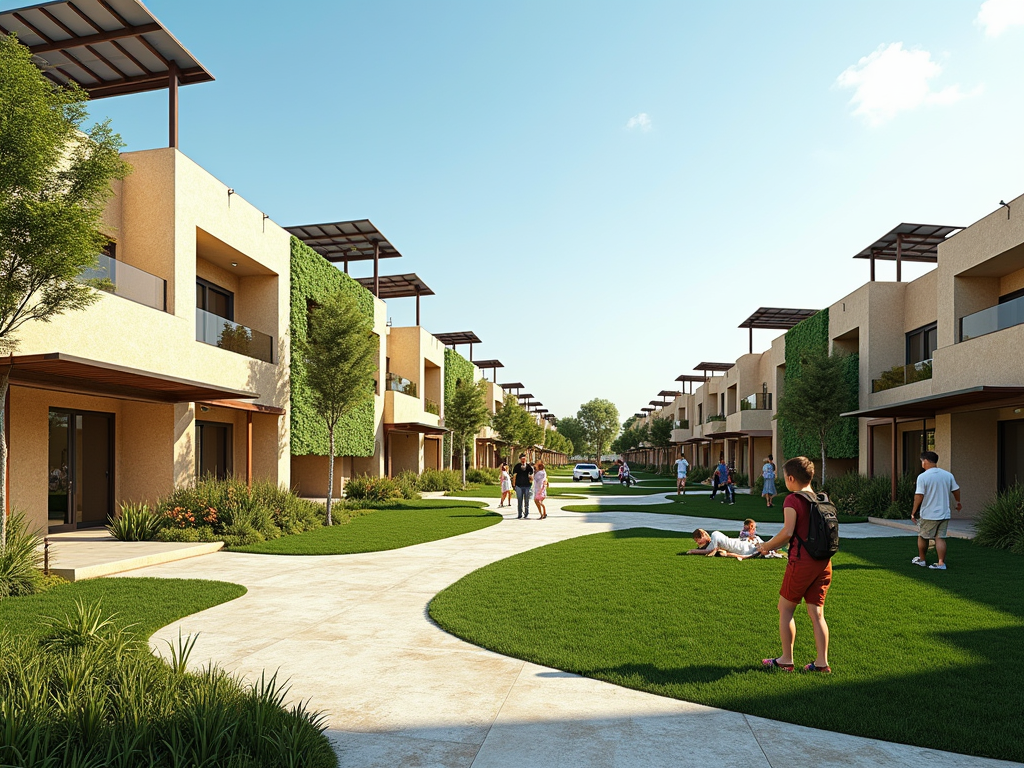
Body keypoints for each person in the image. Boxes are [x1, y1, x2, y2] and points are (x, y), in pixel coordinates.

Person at [756, 456, 832, 673]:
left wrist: (766, 546)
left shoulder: (793, 500)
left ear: (790, 478)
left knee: (785, 609)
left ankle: (786, 660)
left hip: (802, 561)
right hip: (824, 563)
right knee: (817, 614)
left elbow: (788, 532)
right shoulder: (822, 498)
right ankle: (821, 663)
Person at [909, 451, 961, 570]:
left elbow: (919, 496)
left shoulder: (923, 477)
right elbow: (956, 490)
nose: (922, 464)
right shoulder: (948, 475)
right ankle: (941, 563)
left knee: (922, 536)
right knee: (940, 538)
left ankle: (922, 560)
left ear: (925, 461)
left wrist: (913, 512)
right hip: (944, 513)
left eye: (922, 461)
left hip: (929, 514)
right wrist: (958, 502)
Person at [684, 528, 759, 559]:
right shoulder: (713, 539)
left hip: (738, 546)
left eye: (698, 540)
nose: (698, 543)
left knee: (755, 548)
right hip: (737, 545)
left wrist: (693, 551)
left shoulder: (715, 535)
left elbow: (709, 550)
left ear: (703, 536)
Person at [511, 453, 534, 519]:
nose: (523, 460)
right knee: (519, 500)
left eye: (524, 458)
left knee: (526, 500)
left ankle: (526, 513)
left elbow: (531, 476)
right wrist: (514, 485)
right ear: (520, 459)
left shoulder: (529, 467)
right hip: (519, 485)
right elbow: (514, 476)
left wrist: (531, 479)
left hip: (527, 486)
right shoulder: (517, 466)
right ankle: (519, 514)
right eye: (522, 459)